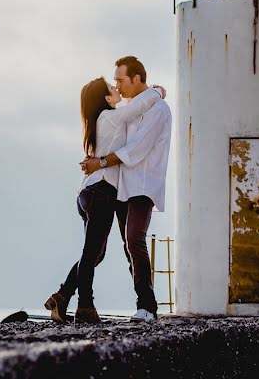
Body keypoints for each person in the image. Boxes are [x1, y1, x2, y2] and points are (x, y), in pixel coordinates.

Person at [44, 75, 165, 324]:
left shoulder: (98, 121)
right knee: (91, 255)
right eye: (111, 87)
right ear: (106, 98)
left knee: (95, 255)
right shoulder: (110, 118)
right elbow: (138, 107)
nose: (116, 87)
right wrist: (158, 91)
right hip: (101, 191)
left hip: (88, 193)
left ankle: (63, 295)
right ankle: (85, 307)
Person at [80, 56, 172, 323]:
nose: (117, 86)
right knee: (125, 246)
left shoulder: (158, 110)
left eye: (120, 80)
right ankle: (68, 296)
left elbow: (136, 150)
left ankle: (147, 306)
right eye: (115, 82)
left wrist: (101, 163)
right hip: (120, 187)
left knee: (134, 239)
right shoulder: (130, 108)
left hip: (143, 185)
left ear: (137, 79)